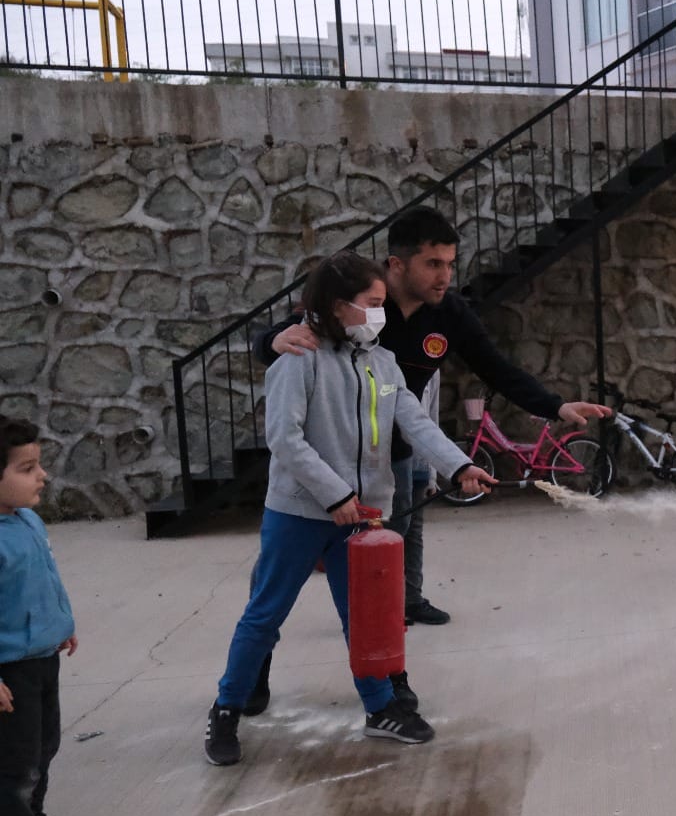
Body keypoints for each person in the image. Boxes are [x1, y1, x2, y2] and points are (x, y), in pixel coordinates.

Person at [248, 206, 609, 708]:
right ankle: (254, 672)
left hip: (392, 456)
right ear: (398, 265)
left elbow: (495, 367)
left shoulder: (450, 314)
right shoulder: (359, 302)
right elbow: (279, 338)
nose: (446, 275)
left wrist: (555, 406)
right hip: (321, 463)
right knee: (275, 582)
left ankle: (389, 674)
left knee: (379, 572)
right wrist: (269, 339)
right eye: (434, 264)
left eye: (449, 263)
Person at [205, 253, 496, 767]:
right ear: (341, 306)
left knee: (364, 619)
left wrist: (459, 466)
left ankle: (380, 707)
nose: (382, 314)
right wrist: (335, 495)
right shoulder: (298, 357)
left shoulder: (381, 362)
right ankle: (227, 707)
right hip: (300, 513)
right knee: (265, 615)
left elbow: (416, 423)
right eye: (374, 304)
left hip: (363, 518)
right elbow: (285, 439)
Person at [0, 415, 79, 816]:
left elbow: (46, 579)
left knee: (43, 744)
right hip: (9, 671)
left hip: (41, 656)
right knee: (13, 762)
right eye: (27, 469)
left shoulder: (26, 518)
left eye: (39, 466)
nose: (42, 477)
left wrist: (61, 624)